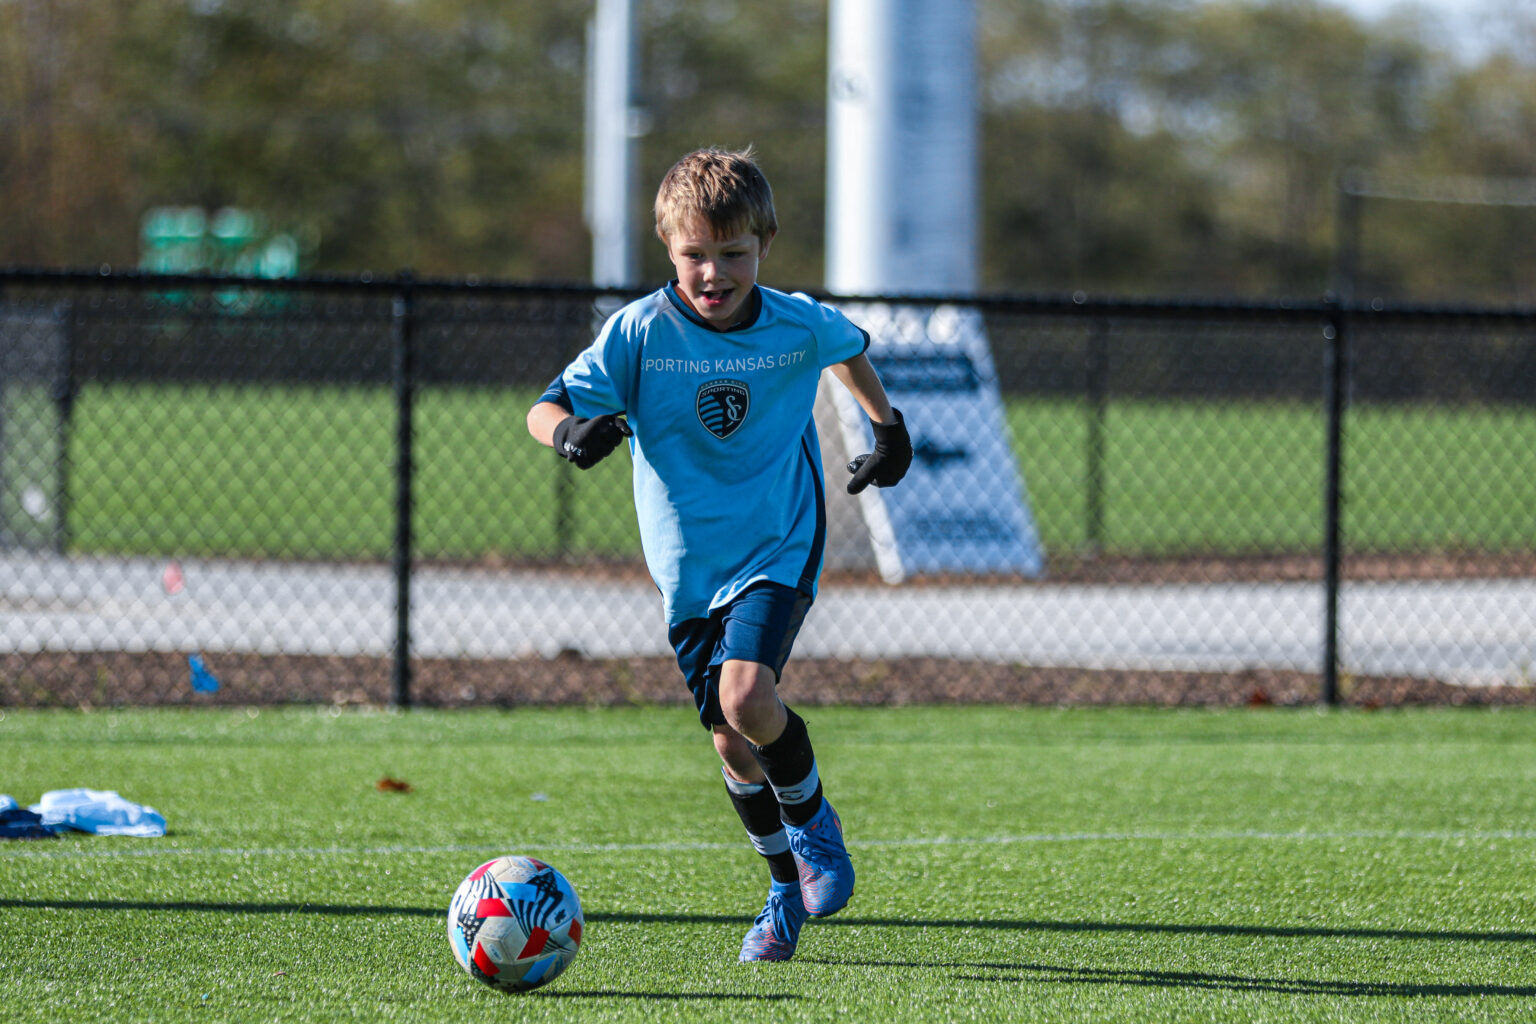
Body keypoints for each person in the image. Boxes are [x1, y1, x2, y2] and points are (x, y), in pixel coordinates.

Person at [527, 146, 911, 962]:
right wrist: (569, 435)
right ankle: (782, 891)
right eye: (695, 254)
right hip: (687, 570)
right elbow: (546, 404)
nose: (714, 271)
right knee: (732, 741)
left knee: (746, 697)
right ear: (669, 249)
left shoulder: (794, 320)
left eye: (732, 253)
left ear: (764, 246)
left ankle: (814, 825)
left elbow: (847, 348)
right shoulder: (638, 333)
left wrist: (888, 429)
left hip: (777, 540)